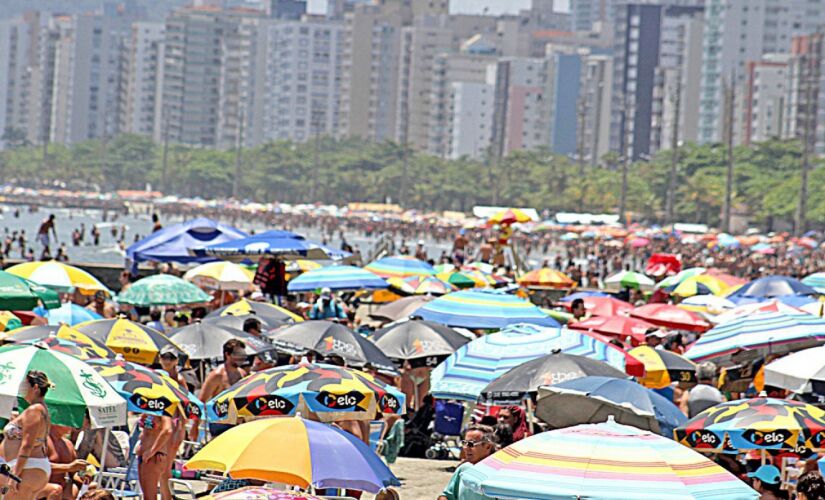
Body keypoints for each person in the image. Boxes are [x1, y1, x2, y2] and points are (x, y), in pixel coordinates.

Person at [2, 370, 53, 499]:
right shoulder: (40, 409)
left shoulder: (34, 410)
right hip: (28, 466)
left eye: (24, 385)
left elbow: (27, 445)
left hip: (28, 467)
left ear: (35, 387)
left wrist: (15, 475)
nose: (21, 388)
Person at [197, 339, 247, 438]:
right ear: (227, 354)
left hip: (238, 423)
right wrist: (195, 426)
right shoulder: (217, 375)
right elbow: (201, 401)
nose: (241, 357)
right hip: (220, 424)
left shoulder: (242, 374)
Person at [438, 425, 497, 500]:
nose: (466, 448)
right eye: (464, 443)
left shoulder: (499, 473)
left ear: (487, 446)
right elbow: (447, 496)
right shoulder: (463, 469)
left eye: (471, 444)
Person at [43, 424, 89, 499]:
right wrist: (68, 467)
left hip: (62, 485)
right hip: (39, 485)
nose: (72, 425)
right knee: (56, 490)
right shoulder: (42, 441)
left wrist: (83, 476)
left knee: (91, 487)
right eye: (67, 421)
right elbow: (39, 466)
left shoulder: (68, 444)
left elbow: (74, 473)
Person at [136, 414, 172, 500]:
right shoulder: (149, 407)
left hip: (154, 457)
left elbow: (167, 430)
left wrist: (151, 451)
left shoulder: (163, 408)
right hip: (144, 456)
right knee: (147, 496)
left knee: (150, 497)